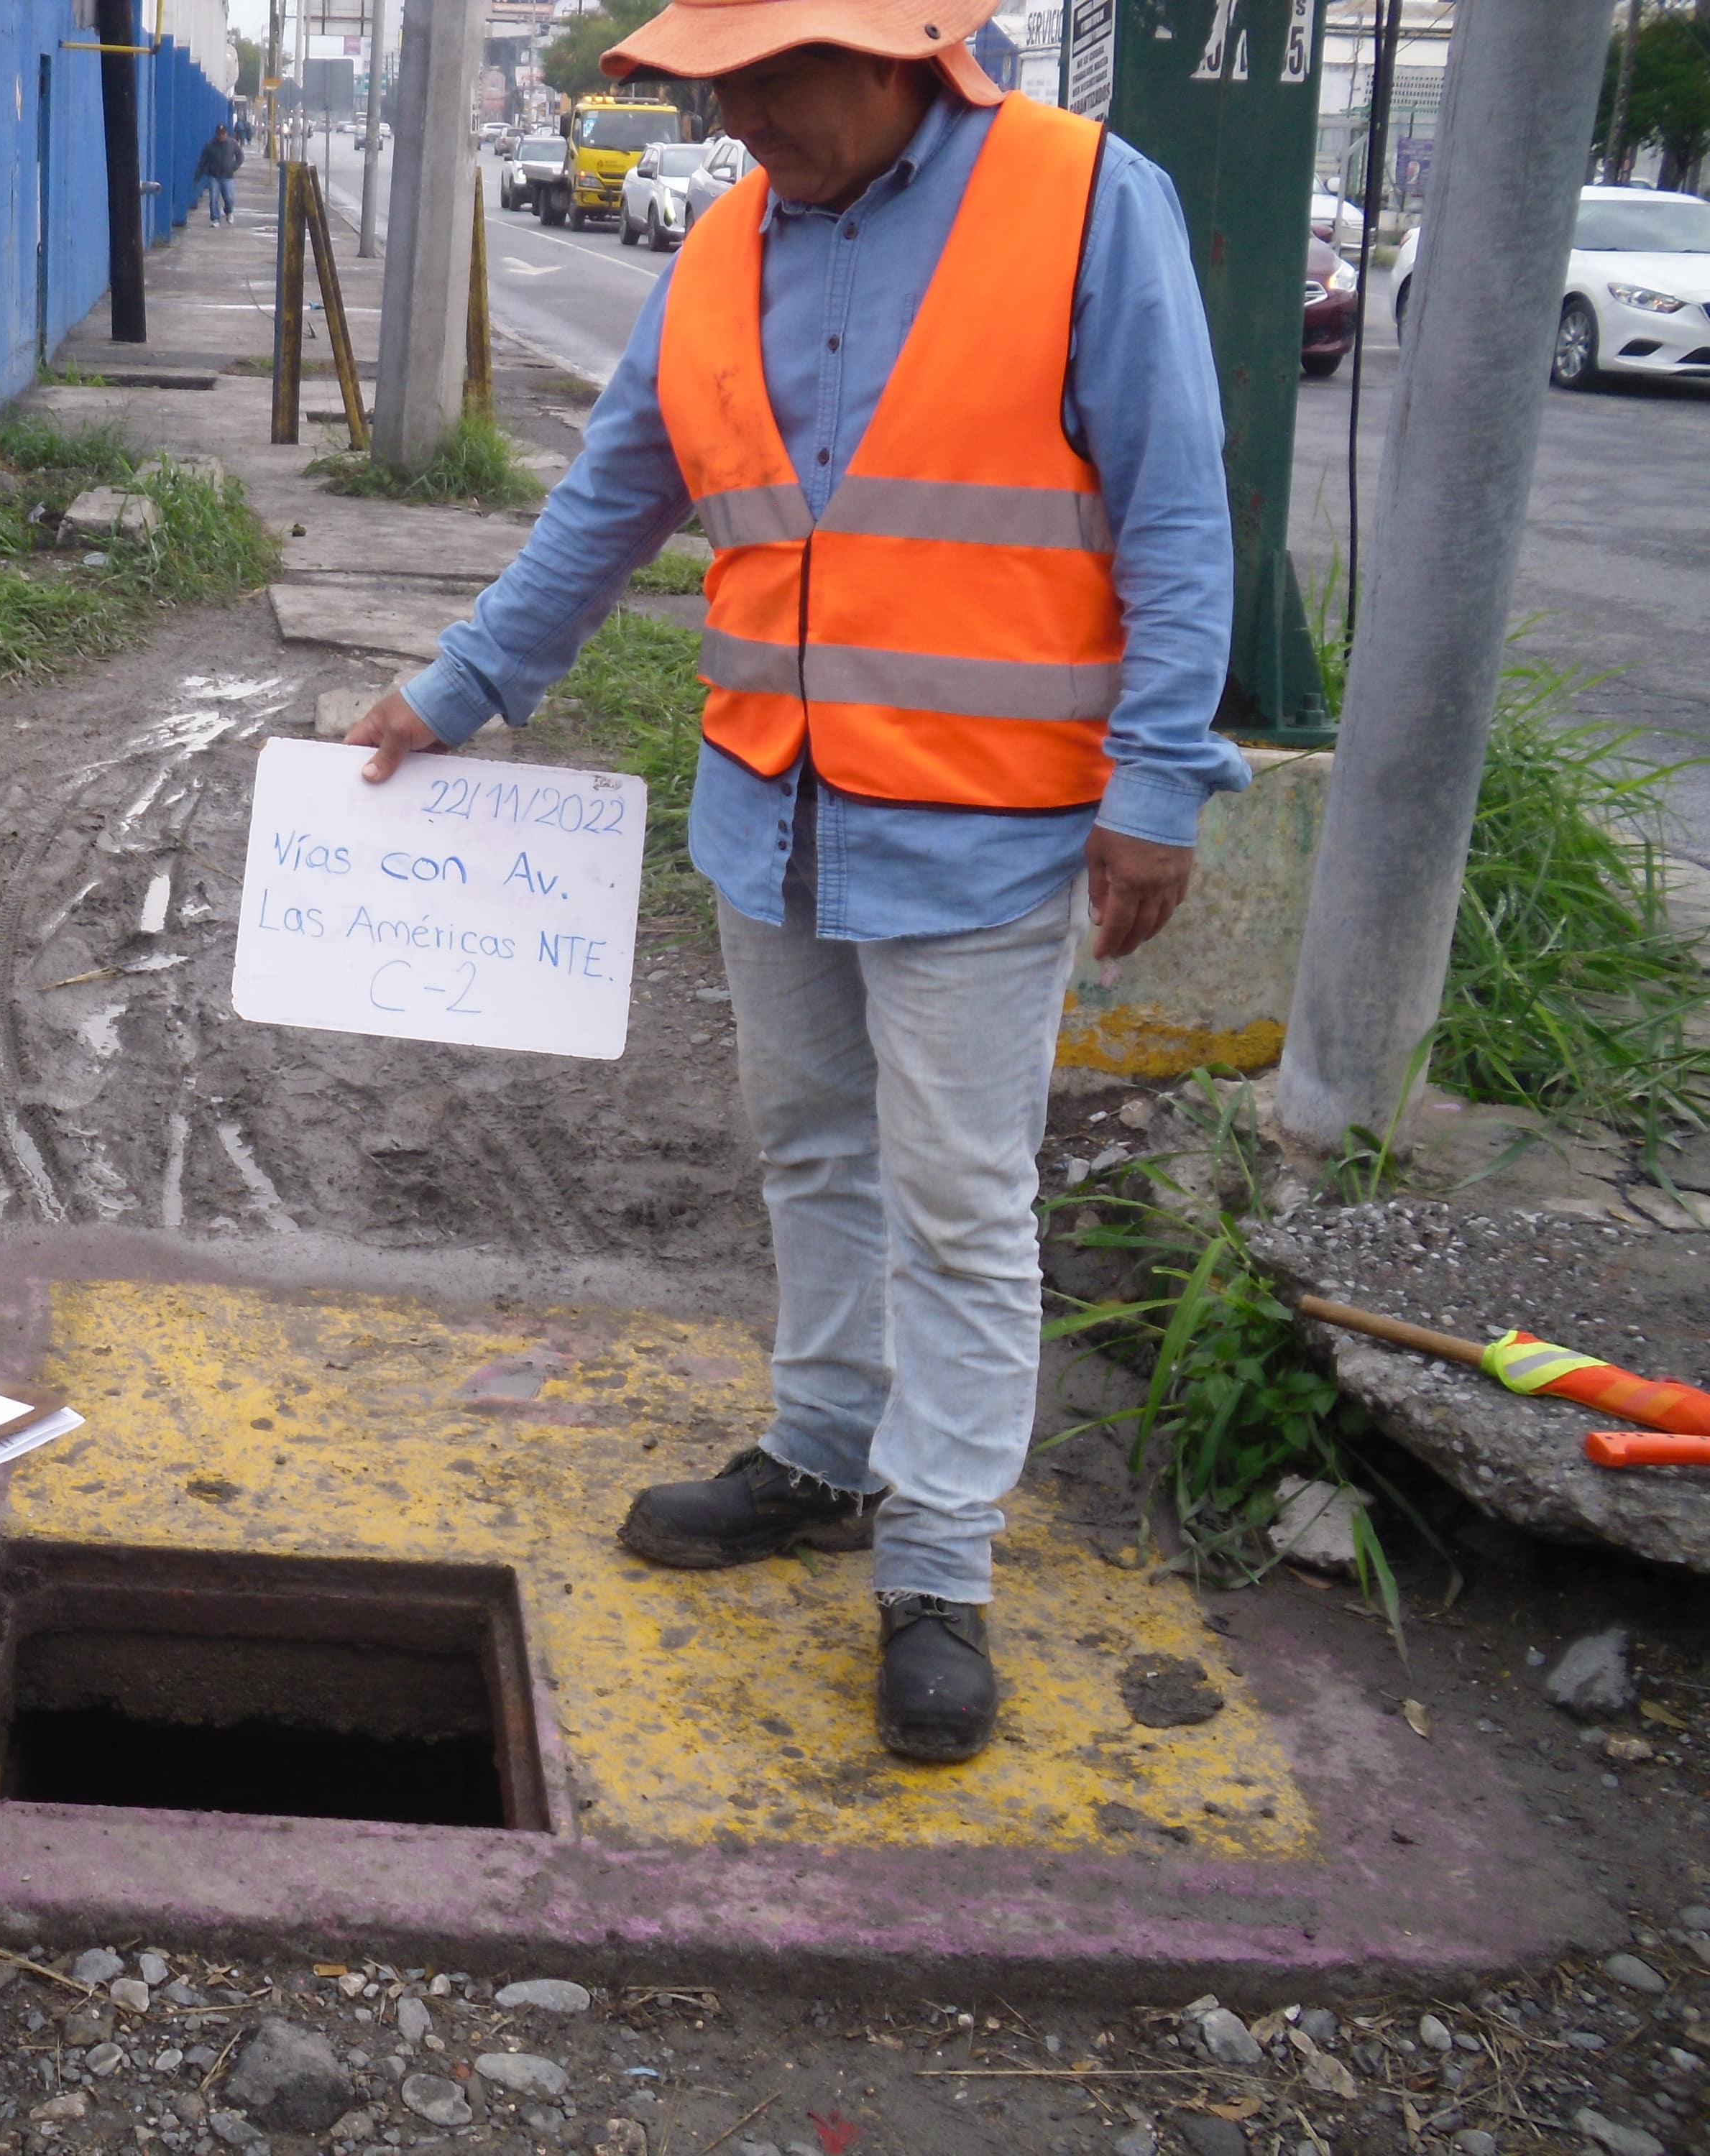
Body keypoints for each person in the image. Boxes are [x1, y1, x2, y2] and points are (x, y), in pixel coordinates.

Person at [346, 0, 1246, 1762]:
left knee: (962, 1199)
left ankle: (937, 1564)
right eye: (718, 79)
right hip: (774, 808)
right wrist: (454, 686)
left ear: (905, 46)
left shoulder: (1080, 196)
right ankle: (821, 1452)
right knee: (815, 1150)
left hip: (986, 818)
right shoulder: (722, 244)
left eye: (770, 71)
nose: (740, 112)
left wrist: (1158, 785)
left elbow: (1173, 507)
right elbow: (614, 497)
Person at [198, 122, 244, 223]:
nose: (221, 136)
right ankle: (215, 218)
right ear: (216, 134)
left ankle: (229, 211)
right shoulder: (210, 145)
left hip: (228, 176)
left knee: (229, 197)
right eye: (219, 134)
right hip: (214, 176)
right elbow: (203, 160)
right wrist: (199, 174)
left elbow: (240, 156)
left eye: (223, 134)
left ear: (226, 134)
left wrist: (234, 167)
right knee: (214, 198)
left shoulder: (232, 144)